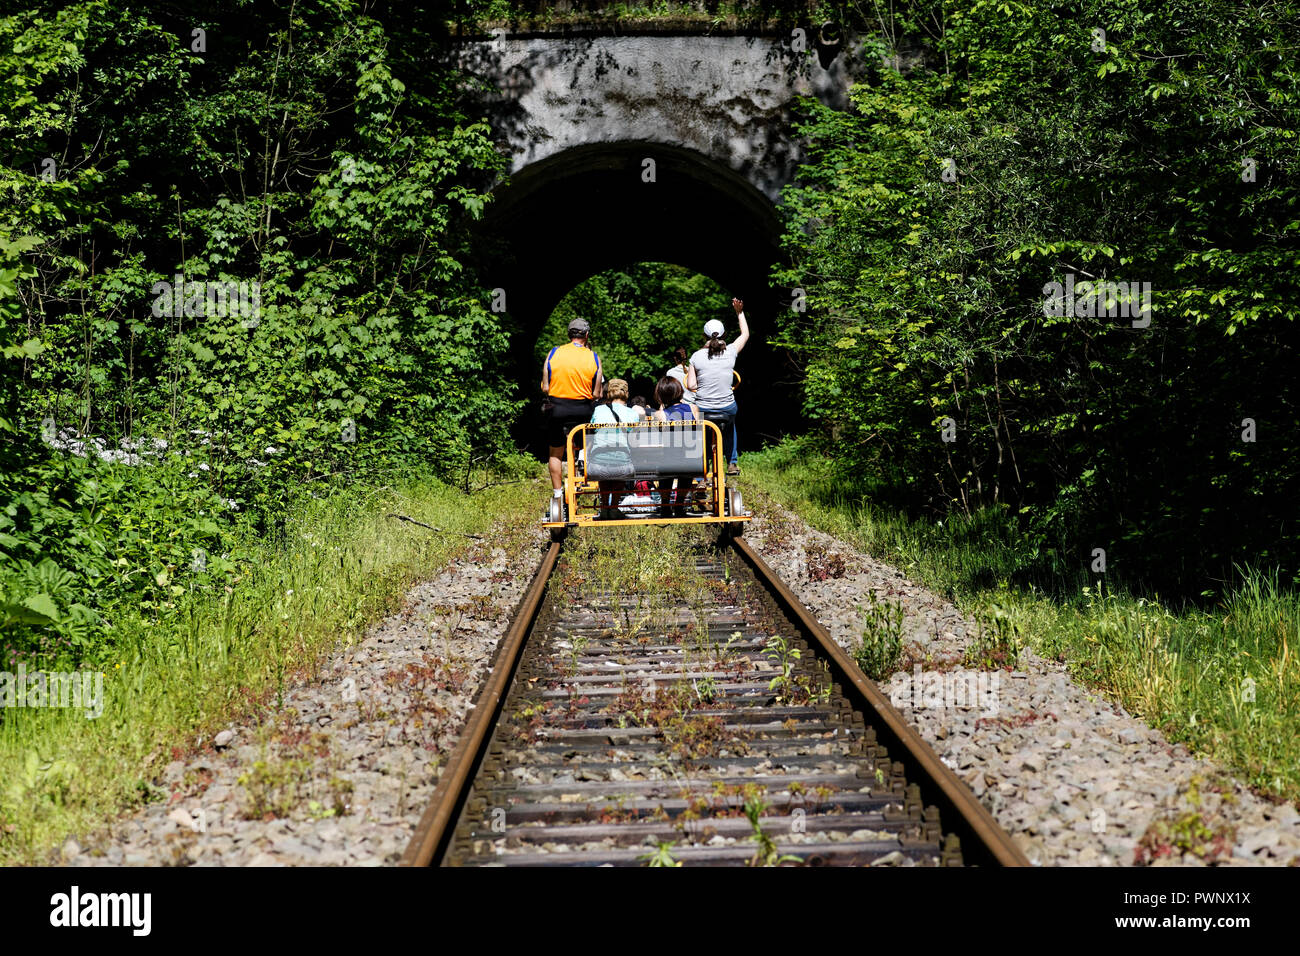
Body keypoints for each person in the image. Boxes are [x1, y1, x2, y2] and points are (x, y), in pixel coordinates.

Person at [542, 318, 603, 504]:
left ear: (569, 335)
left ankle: (558, 494)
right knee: (586, 442)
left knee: (555, 453)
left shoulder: (553, 353)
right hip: (582, 410)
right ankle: (583, 459)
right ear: (586, 335)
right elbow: (596, 393)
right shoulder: (593, 357)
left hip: (557, 408)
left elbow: (545, 387)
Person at [690, 297, 749, 474]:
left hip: (704, 409)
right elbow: (745, 334)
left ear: (704, 336)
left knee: (700, 435)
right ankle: (731, 462)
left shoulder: (696, 356)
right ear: (723, 335)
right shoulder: (730, 351)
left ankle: (701, 477)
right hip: (726, 408)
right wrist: (739, 312)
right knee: (730, 425)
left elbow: (692, 384)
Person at [588, 378, 641, 519]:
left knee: (604, 468)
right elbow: (634, 442)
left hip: (597, 467)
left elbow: (593, 431)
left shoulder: (598, 410)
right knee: (621, 465)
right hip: (622, 467)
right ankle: (614, 508)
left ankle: (605, 508)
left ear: (609, 393)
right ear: (626, 393)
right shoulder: (632, 414)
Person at [651, 376, 700, 517]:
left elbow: (656, 435)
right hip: (692, 461)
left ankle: (665, 505)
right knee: (686, 459)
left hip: (669, 462)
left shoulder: (660, 414)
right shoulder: (693, 408)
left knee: (667, 461)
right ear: (680, 391)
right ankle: (680, 504)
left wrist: (662, 406)